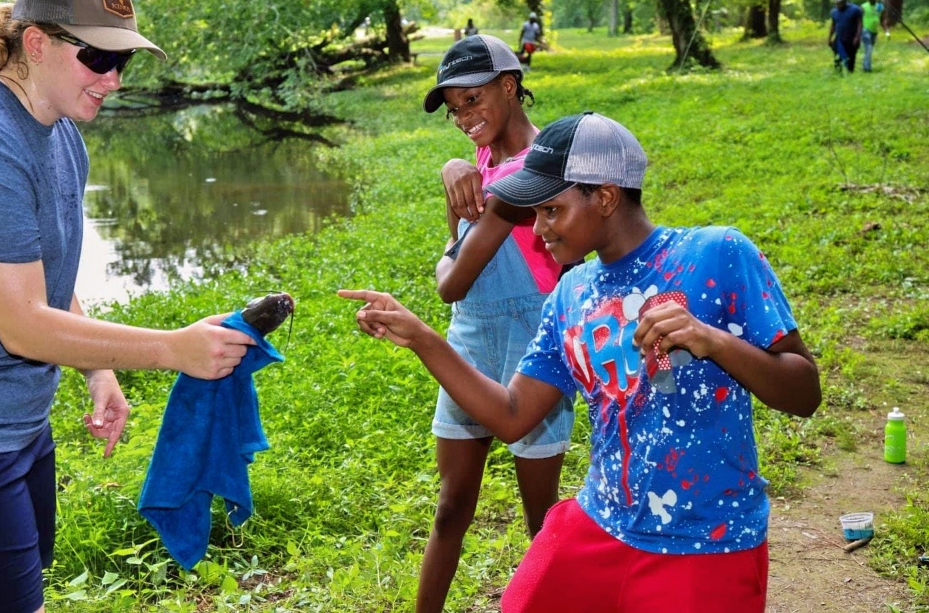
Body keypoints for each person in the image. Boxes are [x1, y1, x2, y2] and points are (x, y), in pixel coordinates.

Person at [340, 111, 822, 612]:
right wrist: (422, 338)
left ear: (606, 197)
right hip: (599, 524)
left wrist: (716, 342)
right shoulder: (572, 292)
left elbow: (804, 393)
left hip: (706, 539)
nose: (539, 229)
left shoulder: (716, 254)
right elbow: (512, 416)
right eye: (536, 213)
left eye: (552, 210)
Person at [0, 0, 258, 613]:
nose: (111, 78)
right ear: (36, 44)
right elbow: (22, 323)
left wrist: (98, 374)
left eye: (123, 62)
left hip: (17, 427)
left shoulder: (62, 136)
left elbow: (47, 282)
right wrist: (171, 347)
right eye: (97, 57)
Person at [415, 34, 574, 612]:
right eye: (455, 109)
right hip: (471, 334)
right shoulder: (481, 162)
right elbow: (453, 249)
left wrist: (462, 190)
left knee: (541, 519)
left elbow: (451, 279)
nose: (464, 118)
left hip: (534, 340)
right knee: (451, 506)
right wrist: (455, 170)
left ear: (510, 86)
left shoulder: (538, 169)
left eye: (474, 100)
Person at [829, 0, 863, 73]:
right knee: (837, 55)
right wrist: (829, 37)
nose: (838, 5)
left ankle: (850, 71)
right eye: (836, 3)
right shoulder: (834, 12)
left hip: (851, 37)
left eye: (840, 3)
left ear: (844, 1)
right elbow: (833, 25)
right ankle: (838, 71)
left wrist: (857, 37)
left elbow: (860, 24)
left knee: (851, 56)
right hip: (839, 37)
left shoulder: (855, 10)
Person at [860, 0, 887, 72]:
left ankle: (866, 65)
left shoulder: (880, 7)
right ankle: (867, 68)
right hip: (865, 29)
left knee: (869, 49)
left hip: (874, 31)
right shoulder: (863, 6)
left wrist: (887, 31)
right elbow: (858, 20)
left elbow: (882, 20)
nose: (871, 0)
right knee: (868, 48)